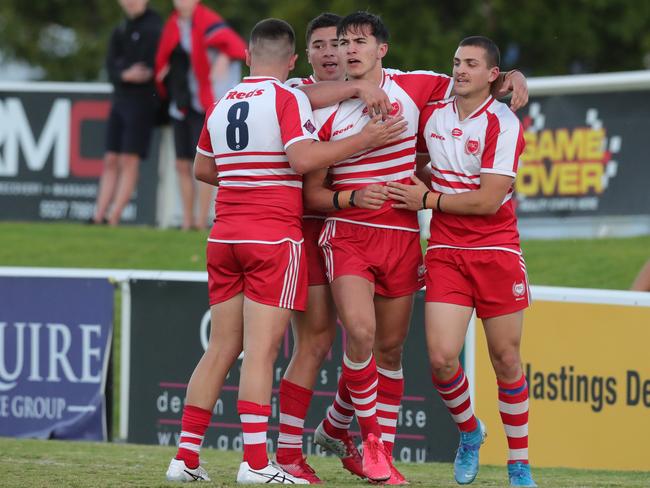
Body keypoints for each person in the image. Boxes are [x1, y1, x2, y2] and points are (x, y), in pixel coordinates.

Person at [164, 18, 407, 484]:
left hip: (224, 236)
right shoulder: (287, 98)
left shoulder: (223, 102)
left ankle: (185, 457)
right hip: (271, 237)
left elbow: (202, 168)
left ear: (248, 57)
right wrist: (365, 140)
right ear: (294, 61)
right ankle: (256, 463)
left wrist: (246, 176)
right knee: (260, 353)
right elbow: (301, 160)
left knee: (220, 347)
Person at [301, 12, 529, 485]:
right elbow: (310, 182)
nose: (349, 50)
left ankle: (341, 430)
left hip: (408, 236)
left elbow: (472, 84)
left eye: (360, 41)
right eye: (343, 43)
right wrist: (352, 192)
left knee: (389, 349)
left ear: (382, 49)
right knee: (363, 334)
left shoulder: (420, 88)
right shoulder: (319, 103)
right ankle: (371, 448)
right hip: (355, 232)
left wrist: (512, 76)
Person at [387, 36, 537, 487]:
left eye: (471, 63)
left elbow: (489, 201)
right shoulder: (432, 113)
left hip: (497, 251)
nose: (460, 70)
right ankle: (470, 431)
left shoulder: (504, 122)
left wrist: (427, 197)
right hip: (448, 252)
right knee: (441, 359)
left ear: (493, 75)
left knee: (506, 359)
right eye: (456, 62)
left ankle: (519, 464)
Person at [275, 13, 364, 484]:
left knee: (373, 339)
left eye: (340, 43)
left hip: (361, 231)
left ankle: (335, 426)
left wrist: (506, 77)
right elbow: (297, 96)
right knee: (315, 341)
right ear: (306, 55)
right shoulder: (292, 93)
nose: (331, 52)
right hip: (305, 228)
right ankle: (287, 453)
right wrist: (355, 89)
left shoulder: (375, 86)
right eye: (321, 45)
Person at [155, 0, 246, 230]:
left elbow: (238, 47)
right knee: (182, 164)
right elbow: (164, 56)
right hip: (182, 103)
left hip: (204, 104)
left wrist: (225, 57)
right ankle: (187, 221)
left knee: (204, 164)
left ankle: (201, 219)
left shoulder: (208, 21)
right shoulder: (174, 24)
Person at [91, 0, 161, 226]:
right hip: (120, 100)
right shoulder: (120, 28)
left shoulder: (155, 27)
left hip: (142, 102)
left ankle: (114, 217)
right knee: (111, 158)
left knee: (129, 159)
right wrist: (124, 74)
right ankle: (98, 216)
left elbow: (152, 66)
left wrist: (134, 73)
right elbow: (111, 66)